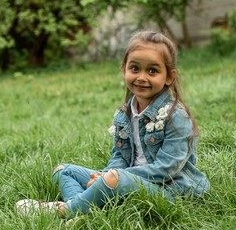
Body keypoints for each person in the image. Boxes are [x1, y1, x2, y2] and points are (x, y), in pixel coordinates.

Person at [15, 30, 210, 219]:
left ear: (169, 76)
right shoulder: (124, 115)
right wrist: (104, 175)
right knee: (63, 171)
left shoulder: (176, 117)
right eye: (135, 68)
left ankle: (64, 210)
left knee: (113, 178)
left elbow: (166, 168)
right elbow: (119, 156)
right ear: (124, 69)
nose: (142, 77)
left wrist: (111, 177)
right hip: (125, 181)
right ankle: (83, 210)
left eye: (152, 70)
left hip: (170, 191)